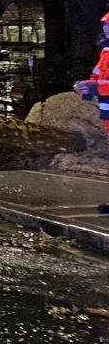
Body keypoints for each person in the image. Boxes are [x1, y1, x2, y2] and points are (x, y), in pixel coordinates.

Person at [72, 12, 109, 214]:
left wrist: (96, 88)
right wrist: (86, 87)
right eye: (104, 24)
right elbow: (96, 76)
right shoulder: (105, 51)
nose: (105, 28)